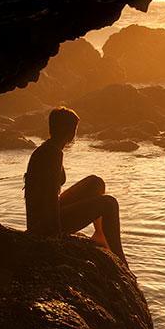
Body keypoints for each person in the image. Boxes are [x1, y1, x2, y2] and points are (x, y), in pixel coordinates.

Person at [24, 107, 127, 265]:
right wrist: (55, 236)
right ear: (70, 132)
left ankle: (100, 234)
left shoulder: (50, 148)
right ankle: (119, 257)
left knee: (96, 182)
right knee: (109, 203)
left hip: (44, 215)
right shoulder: (52, 154)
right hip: (44, 224)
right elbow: (50, 196)